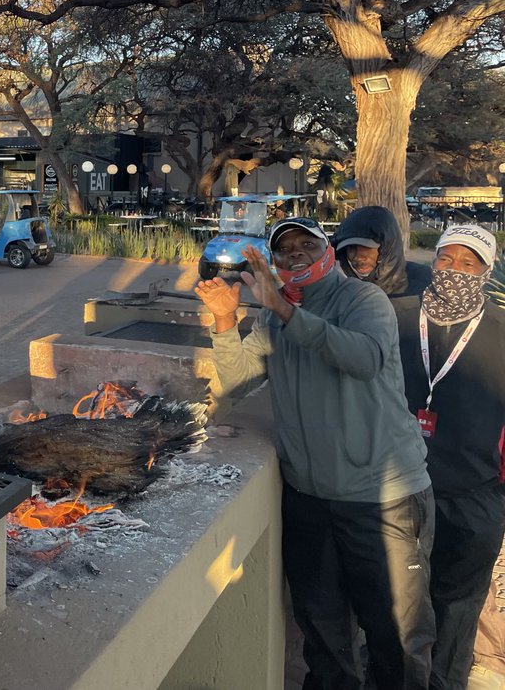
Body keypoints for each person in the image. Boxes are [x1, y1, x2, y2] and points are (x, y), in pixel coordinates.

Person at [195, 216, 435, 689]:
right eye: (285, 248)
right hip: (309, 500)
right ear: (277, 261)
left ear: (327, 250)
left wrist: (286, 313)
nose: (296, 252)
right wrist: (226, 319)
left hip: (381, 500)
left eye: (308, 242)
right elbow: (240, 379)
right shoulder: (274, 314)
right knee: (323, 638)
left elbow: (363, 360)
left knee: (397, 641)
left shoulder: (362, 300)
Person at [393, 225, 505, 689]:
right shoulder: (395, 318)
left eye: (469, 263)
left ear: (487, 270)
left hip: (474, 496)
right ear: (433, 260)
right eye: (446, 259)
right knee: (395, 604)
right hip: (399, 491)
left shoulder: (502, 333)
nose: (455, 270)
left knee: (456, 611)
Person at [334, 205, 433, 297]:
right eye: (351, 248)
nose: (358, 257)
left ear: (389, 248)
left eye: (366, 247)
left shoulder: (427, 286)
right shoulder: (339, 291)